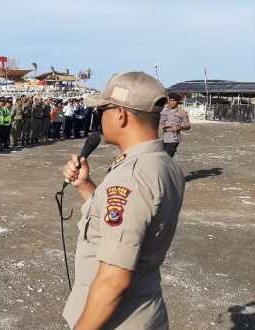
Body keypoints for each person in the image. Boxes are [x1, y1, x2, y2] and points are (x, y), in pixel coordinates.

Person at [62, 71, 184, 329]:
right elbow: (120, 218)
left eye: (102, 110)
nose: (100, 117)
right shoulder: (162, 163)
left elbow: (113, 280)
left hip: (116, 319)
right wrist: (85, 185)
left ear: (120, 114)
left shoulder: (131, 176)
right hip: (143, 309)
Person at [159, 93, 191, 157]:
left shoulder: (182, 112)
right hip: (162, 138)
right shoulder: (164, 111)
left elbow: (188, 126)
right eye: (170, 100)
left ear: (178, 101)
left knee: (168, 158)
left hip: (173, 139)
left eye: (174, 100)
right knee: (161, 159)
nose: (172, 102)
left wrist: (179, 127)